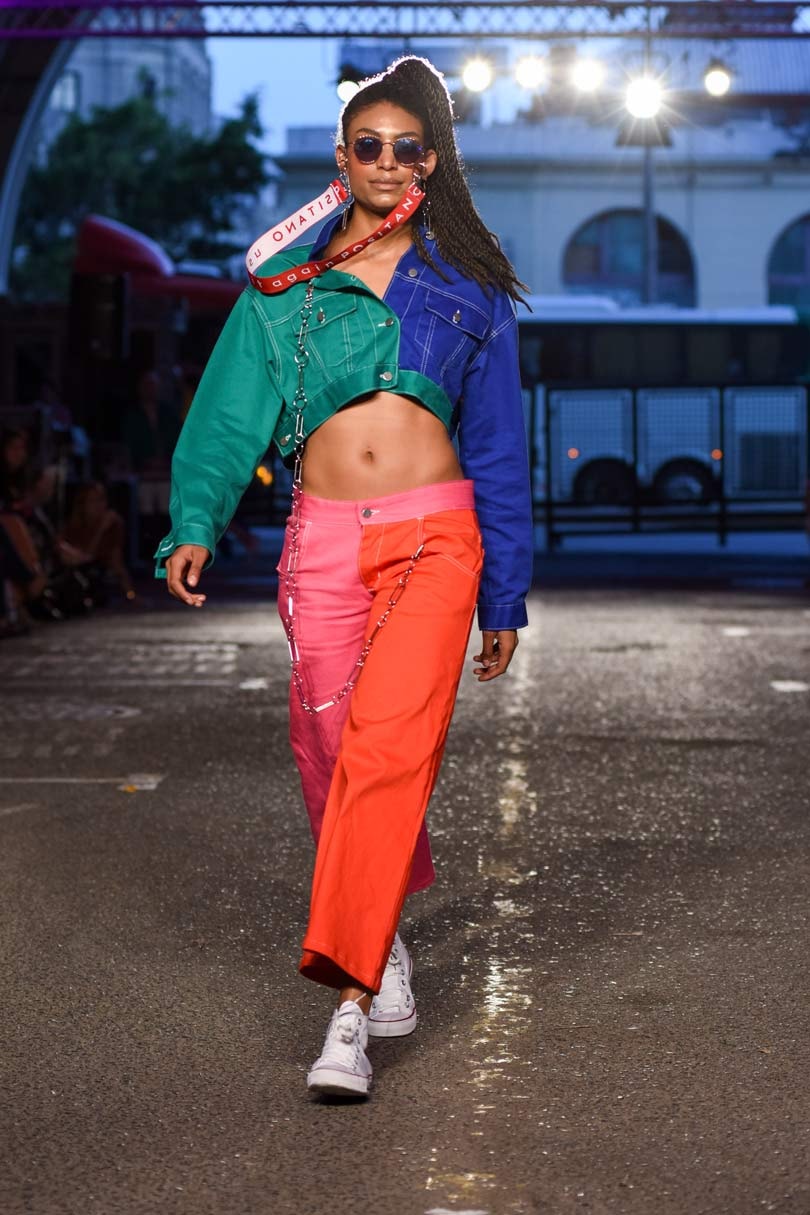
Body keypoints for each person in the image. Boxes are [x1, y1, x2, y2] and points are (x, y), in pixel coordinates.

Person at [155, 55, 533, 1099]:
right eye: (370, 145)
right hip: (320, 542)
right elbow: (227, 416)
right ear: (342, 157)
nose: (389, 161)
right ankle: (385, 928)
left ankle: (352, 1004)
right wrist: (195, 520)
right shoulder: (284, 289)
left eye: (410, 147)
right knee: (329, 753)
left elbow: (499, 448)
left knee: (385, 747)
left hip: (436, 538)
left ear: (433, 160)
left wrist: (504, 591)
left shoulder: (469, 288)